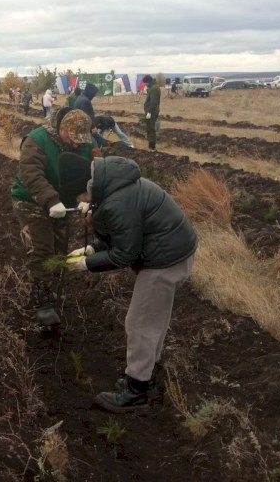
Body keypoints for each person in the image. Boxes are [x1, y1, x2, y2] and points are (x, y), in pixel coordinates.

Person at [64, 155, 197, 413]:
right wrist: (92, 248)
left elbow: (125, 254)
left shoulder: (116, 202)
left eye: (77, 197)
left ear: (84, 189)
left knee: (139, 322)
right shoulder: (115, 185)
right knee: (153, 318)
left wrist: (87, 264)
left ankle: (136, 391)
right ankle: (148, 368)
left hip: (165, 260)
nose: (79, 203)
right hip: (174, 251)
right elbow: (123, 234)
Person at [10, 108, 99, 326]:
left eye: (82, 140)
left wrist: (89, 197)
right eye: (73, 139)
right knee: (42, 249)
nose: (77, 145)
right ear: (61, 129)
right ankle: (42, 301)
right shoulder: (36, 140)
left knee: (60, 248)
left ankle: (54, 289)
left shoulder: (86, 142)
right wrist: (51, 200)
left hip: (64, 203)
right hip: (31, 200)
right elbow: (32, 174)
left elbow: (98, 169)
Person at [143, 74, 161, 150]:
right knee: (150, 128)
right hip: (152, 111)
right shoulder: (153, 87)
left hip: (152, 112)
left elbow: (154, 102)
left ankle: (152, 146)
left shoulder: (153, 89)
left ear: (148, 82)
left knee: (151, 128)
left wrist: (149, 112)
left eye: (145, 83)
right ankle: (151, 145)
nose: (145, 85)